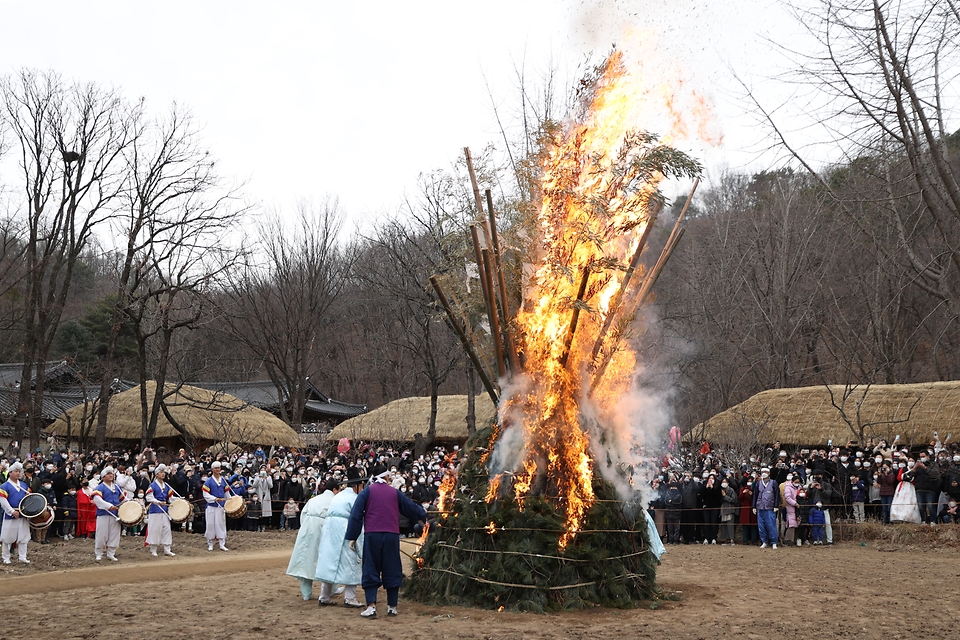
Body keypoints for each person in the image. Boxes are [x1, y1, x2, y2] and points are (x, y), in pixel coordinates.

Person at [346, 469, 427, 619]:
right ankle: (392, 607)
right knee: (392, 567)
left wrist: (352, 536)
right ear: (387, 476)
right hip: (391, 535)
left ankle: (371, 606)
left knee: (371, 567)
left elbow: (356, 515)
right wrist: (423, 512)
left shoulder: (367, 492)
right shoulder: (394, 493)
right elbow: (410, 508)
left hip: (372, 535)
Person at [315, 471, 365, 608]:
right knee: (351, 561)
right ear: (357, 486)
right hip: (345, 528)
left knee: (329, 561)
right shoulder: (355, 498)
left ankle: (324, 596)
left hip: (330, 528)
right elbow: (357, 520)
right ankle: (350, 597)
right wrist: (360, 543)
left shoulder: (338, 496)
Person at [287, 479, 341, 601]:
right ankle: (332, 589)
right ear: (334, 490)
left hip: (308, 528)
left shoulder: (314, 499)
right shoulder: (335, 500)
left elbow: (303, 515)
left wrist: (305, 529)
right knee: (327, 559)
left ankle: (306, 593)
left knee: (307, 560)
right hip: (323, 528)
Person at [91, 466, 127, 562]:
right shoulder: (100, 487)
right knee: (101, 534)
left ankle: (111, 553)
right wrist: (108, 506)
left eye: (112, 473)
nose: (111, 475)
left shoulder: (117, 487)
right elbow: (97, 499)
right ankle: (99, 553)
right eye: (108, 474)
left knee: (114, 534)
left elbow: (123, 499)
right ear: (103, 477)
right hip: (104, 514)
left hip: (115, 514)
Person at [0, 462, 32, 564]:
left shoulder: (23, 485)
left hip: (23, 514)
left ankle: (22, 556)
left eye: (19, 471)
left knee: (23, 537)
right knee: (8, 537)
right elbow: (3, 501)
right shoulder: (5, 486)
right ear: (10, 473)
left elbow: (30, 498)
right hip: (11, 514)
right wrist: (12, 511)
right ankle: (6, 557)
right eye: (16, 471)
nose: (18, 473)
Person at [145, 464, 178, 557]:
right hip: (155, 510)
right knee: (155, 529)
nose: (163, 474)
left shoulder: (166, 485)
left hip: (164, 510)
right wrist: (158, 502)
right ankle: (153, 549)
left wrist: (179, 500)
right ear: (156, 474)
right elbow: (149, 497)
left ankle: (167, 549)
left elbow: (170, 498)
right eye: (161, 472)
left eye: (164, 472)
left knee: (166, 529)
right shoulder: (152, 485)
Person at [202, 461, 234, 551]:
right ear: (212, 469)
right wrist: (214, 498)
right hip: (211, 506)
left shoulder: (223, 480)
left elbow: (227, 493)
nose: (217, 469)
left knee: (221, 524)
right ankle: (210, 543)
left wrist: (231, 501)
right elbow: (205, 494)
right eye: (216, 468)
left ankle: (222, 543)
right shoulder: (208, 481)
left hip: (221, 506)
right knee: (210, 524)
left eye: (219, 468)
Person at [752, 467, 779, 549]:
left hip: (770, 507)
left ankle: (774, 542)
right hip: (760, 507)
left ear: (769, 473)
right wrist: (754, 506)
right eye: (762, 472)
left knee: (771, 525)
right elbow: (755, 495)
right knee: (761, 526)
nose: (764, 473)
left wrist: (776, 505)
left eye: (765, 472)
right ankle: (764, 541)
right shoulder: (758, 483)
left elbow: (777, 494)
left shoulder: (773, 483)